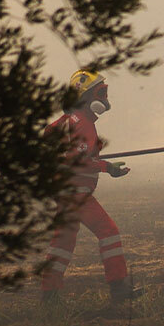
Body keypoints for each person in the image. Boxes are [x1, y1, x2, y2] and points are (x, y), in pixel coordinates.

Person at [40, 70, 136, 304]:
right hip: (75, 193)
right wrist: (107, 167)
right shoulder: (82, 122)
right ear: (86, 96)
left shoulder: (65, 121)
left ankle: (49, 295)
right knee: (108, 230)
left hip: (62, 191)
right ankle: (119, 287)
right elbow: (79, 161)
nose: (104, 98)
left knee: (63, 241)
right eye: (101, 93)